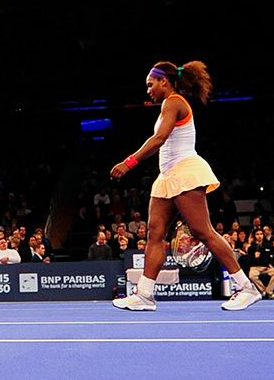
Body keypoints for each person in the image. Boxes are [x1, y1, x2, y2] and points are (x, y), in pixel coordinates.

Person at [109, 61, 263, 311]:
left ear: (164, 82)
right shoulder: (166, 106)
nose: (148, 90)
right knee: (155, 234)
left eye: (151, 84)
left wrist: (129, 162)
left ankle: (246, 287)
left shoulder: (175, 102)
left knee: (204, 231)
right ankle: (145, 295)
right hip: (168, 176)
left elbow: (159, 139)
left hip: (185, 172)